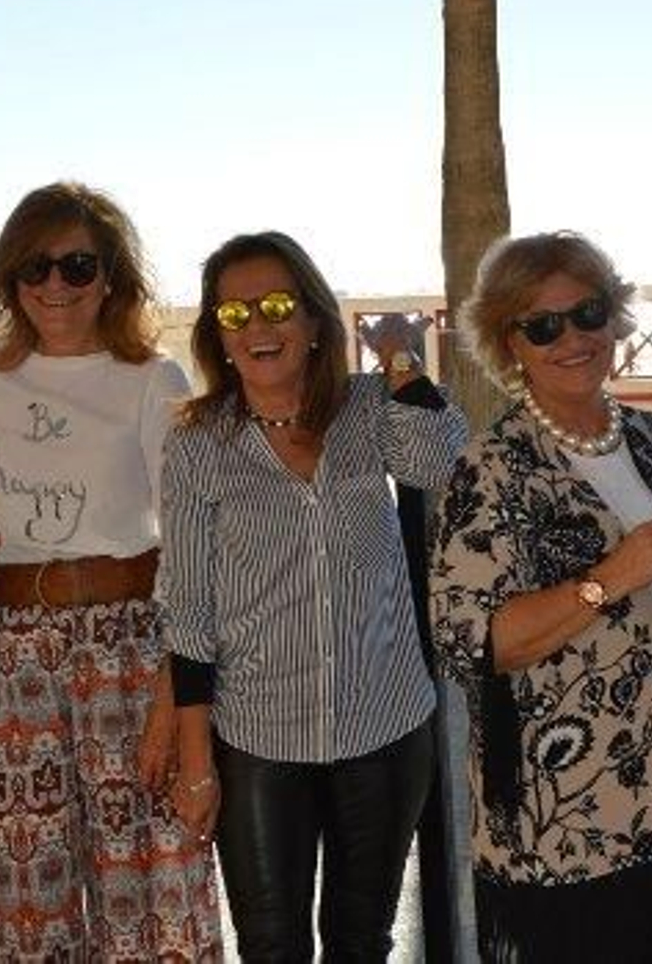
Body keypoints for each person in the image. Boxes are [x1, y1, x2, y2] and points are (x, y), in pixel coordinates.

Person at [0, 182, 223, 960]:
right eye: (34, 268)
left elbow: (192, 543)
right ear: (9, 280)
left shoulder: (150, 380)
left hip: (130, 642)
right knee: (31, 893)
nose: (54, 285)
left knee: (153, 879)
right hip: (13, 648)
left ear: (111, 277)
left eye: (77, 266)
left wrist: (175, 688)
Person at [159, 230, 466, 962]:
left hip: (385, 726)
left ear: (315, 320)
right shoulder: (199, 443)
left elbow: (441, 457)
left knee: (362, 940)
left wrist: (400, 363)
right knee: (271, 944)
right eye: (235, 314)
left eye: (274, 305)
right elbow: (189, 611)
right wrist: (196, 762)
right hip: (260, 737)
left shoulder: (368, 408)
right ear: (217, 336)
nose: (257, 327)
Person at [428, 231, 652, 961]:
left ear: (615, 317)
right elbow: (471, 641)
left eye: (587, 313)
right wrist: (610, 576)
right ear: (508, 343)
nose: (572, 337)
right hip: (564, 820)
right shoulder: (489, 469)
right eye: (542, 326)